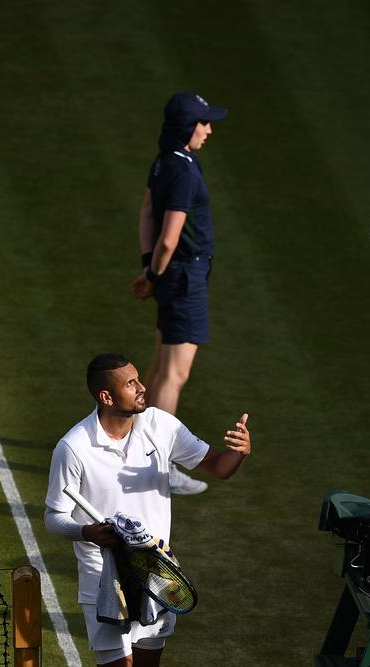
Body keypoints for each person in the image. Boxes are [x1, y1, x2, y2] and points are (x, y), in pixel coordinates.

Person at [44, 353, 250, 667]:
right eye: (132, 384)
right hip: (106, 579)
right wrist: (88, 531)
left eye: (139, 380)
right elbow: (54, 517)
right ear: (106, 396)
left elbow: (218, 468)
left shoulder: (160, 425)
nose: (143, 388)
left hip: (158, 576)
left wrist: (240, 452)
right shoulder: (73, 448)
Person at [131, 92, 227, 495]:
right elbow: (170, 237)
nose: (207, 129)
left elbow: (147, 211)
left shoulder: (165, 160)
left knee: (158, 367)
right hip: (184, 276)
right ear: (187, 127)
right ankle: (159, 468)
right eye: (202, 123)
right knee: (174, 374)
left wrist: (147, 265)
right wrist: (154, 272)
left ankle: (137, 451)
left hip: (172, 275)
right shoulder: (185, 170)